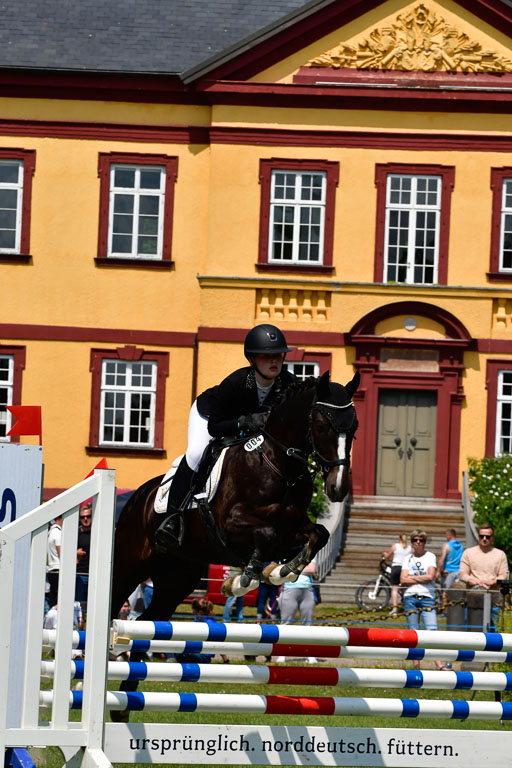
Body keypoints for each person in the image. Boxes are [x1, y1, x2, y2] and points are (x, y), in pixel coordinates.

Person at [154, 324, 296, 554]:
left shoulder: (288, 383)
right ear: (252, 358)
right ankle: (172, 518)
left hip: (248, 429)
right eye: (266, 356)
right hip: (209, 416)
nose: (274, 361)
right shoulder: (237, 382)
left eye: (278, 355)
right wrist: (243, 422)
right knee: (196, 454)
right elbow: (215, 427)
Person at [400, 530, 446, 670]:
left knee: (432, 630)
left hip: (427, 597)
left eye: (421, 540)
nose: (418, 542)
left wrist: (411, 579)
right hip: (410, 597)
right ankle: (416, 664)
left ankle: (438, 664)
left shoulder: (430, 556)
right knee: (412, 632)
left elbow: (430, 576)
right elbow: (402, 579)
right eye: (415, 540)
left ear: (425, 542)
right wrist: (421, 578)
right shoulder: (407, 558)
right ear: (412, 542)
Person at [458, 523, 509, 631]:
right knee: (470, 631)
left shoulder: (500, 554)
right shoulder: (468, 553)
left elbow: (503, 576)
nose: (484, 539)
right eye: (481, 536)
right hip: (472, 598)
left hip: (493, 599)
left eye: (488, 536)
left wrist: (490, 582)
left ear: (492, 538)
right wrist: (475, 581)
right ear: (478, 537)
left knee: (492, 632)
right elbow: (463, 573)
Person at [276, 560, 317, 664]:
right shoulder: (287, 551)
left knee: (308, 624)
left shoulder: (310, 551)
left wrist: (294, 570)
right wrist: (304, 569)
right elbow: (284, 571)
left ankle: (310, 654)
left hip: (307, 589)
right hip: (289, 589)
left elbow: (312, 570)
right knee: (286, 623)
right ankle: (282, 654)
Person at [174, 598, 229, 664]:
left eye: (196, 614)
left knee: (185, 655)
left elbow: (218, 642)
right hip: (195, 651)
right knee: (178, 651)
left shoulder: (211, 624)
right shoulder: (197, 620)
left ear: (201, 612)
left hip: (203, 656)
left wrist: (225, 659)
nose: (195, 616)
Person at [382, 534, 410, 616]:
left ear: (399, 539)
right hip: (405, 568)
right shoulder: (409, 548)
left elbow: (388, 556)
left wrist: (384, 554)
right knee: (404, 589)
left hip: (396, 567)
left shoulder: (395, 546)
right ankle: (407, 608)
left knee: (394, 589)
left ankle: (394, 609)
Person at [436, 528, 464, 610]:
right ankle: (456, 609)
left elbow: (442, 559)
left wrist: (438, 571)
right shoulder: (460, 545)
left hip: (448, 571)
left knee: (445, 592)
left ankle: (446, 611)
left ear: (449, 535)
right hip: (458, 571)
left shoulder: (447, 545)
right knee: (457, 592)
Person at [75, 502, 92, 615]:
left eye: (88, 516)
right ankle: (83, 628)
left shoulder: (99, 531)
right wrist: (75, 553)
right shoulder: (76, 533)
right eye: (83, 517)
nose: (86, 519)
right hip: (81, 574)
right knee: (82, 607)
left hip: (97, 574)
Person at [47, 515, 62, 610]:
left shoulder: (51, 532)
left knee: (53, 600)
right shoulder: (58, 533)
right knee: (59, 601)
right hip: (58, 569)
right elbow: (62, 554)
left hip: (52, 569)